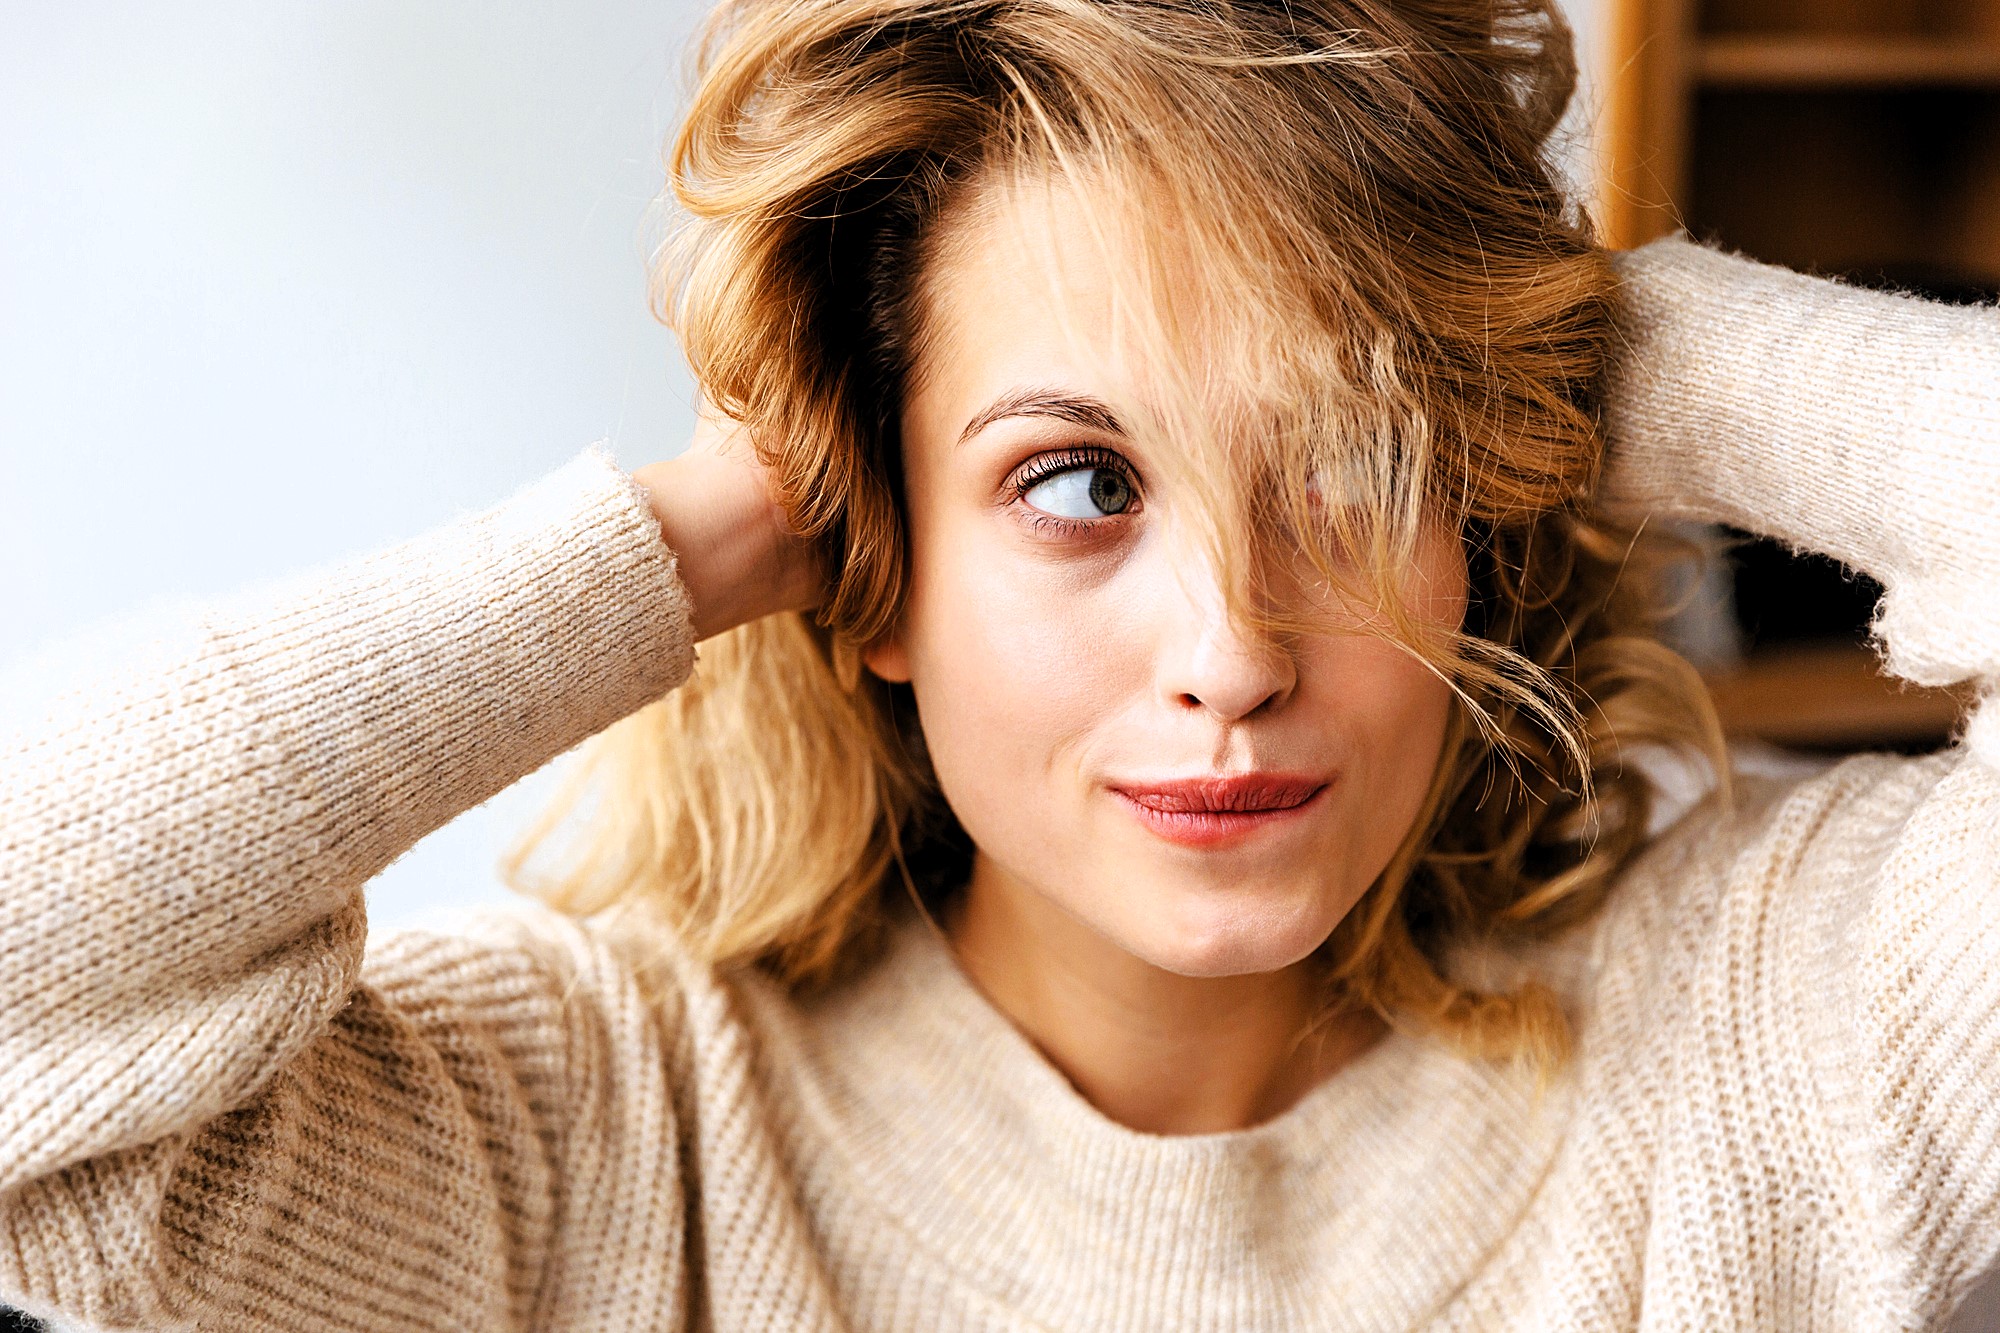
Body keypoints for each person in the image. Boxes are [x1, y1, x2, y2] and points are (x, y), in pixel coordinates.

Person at [3, 0, 1998, 1328]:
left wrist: (1603, 349)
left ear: (1471, 515)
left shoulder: (1765, 1040)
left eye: (1353, 461)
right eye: (1071, 480)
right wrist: (681, 542)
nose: (1228, 650)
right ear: (866, 557)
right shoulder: (605, 1130)